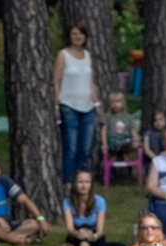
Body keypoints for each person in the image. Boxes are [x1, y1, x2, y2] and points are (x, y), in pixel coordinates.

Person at [54, 22, 101, 184]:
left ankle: (82, 183)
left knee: (85, 149)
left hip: (88, 107)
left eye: (80, 34)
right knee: (71, 149)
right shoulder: (63, 55)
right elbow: (56, 81)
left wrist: (97, 104)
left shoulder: (88, 55)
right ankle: (67, 183)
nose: (77, 37)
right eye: (74, 34)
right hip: (69, 106)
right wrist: (56, 105)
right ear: (69, 36)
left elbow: (91, 82)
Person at [62, 171, 127, 246]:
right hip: (76, 236)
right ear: (75, 184)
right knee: (78, 239)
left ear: (91, 184)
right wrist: (77, 234)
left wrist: (93, 236)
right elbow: (70, 229)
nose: (83, 186)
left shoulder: (100, 201)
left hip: (94, 236)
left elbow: (100, 230)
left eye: (87, 182)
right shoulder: (67, 202)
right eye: (80, 182)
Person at [101, 91, 140, 159]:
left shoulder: (128, 117)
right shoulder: (108, 116)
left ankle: (131, 164)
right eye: (112, 102)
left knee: (133, 142)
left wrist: (136, 139)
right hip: (113, 140)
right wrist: (104, 144)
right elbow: (104, 130)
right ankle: (115, 156)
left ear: (123, 103)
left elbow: (132, 130)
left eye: (118, 101)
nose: (115, 104)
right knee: (113, 142)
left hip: (125, 139)